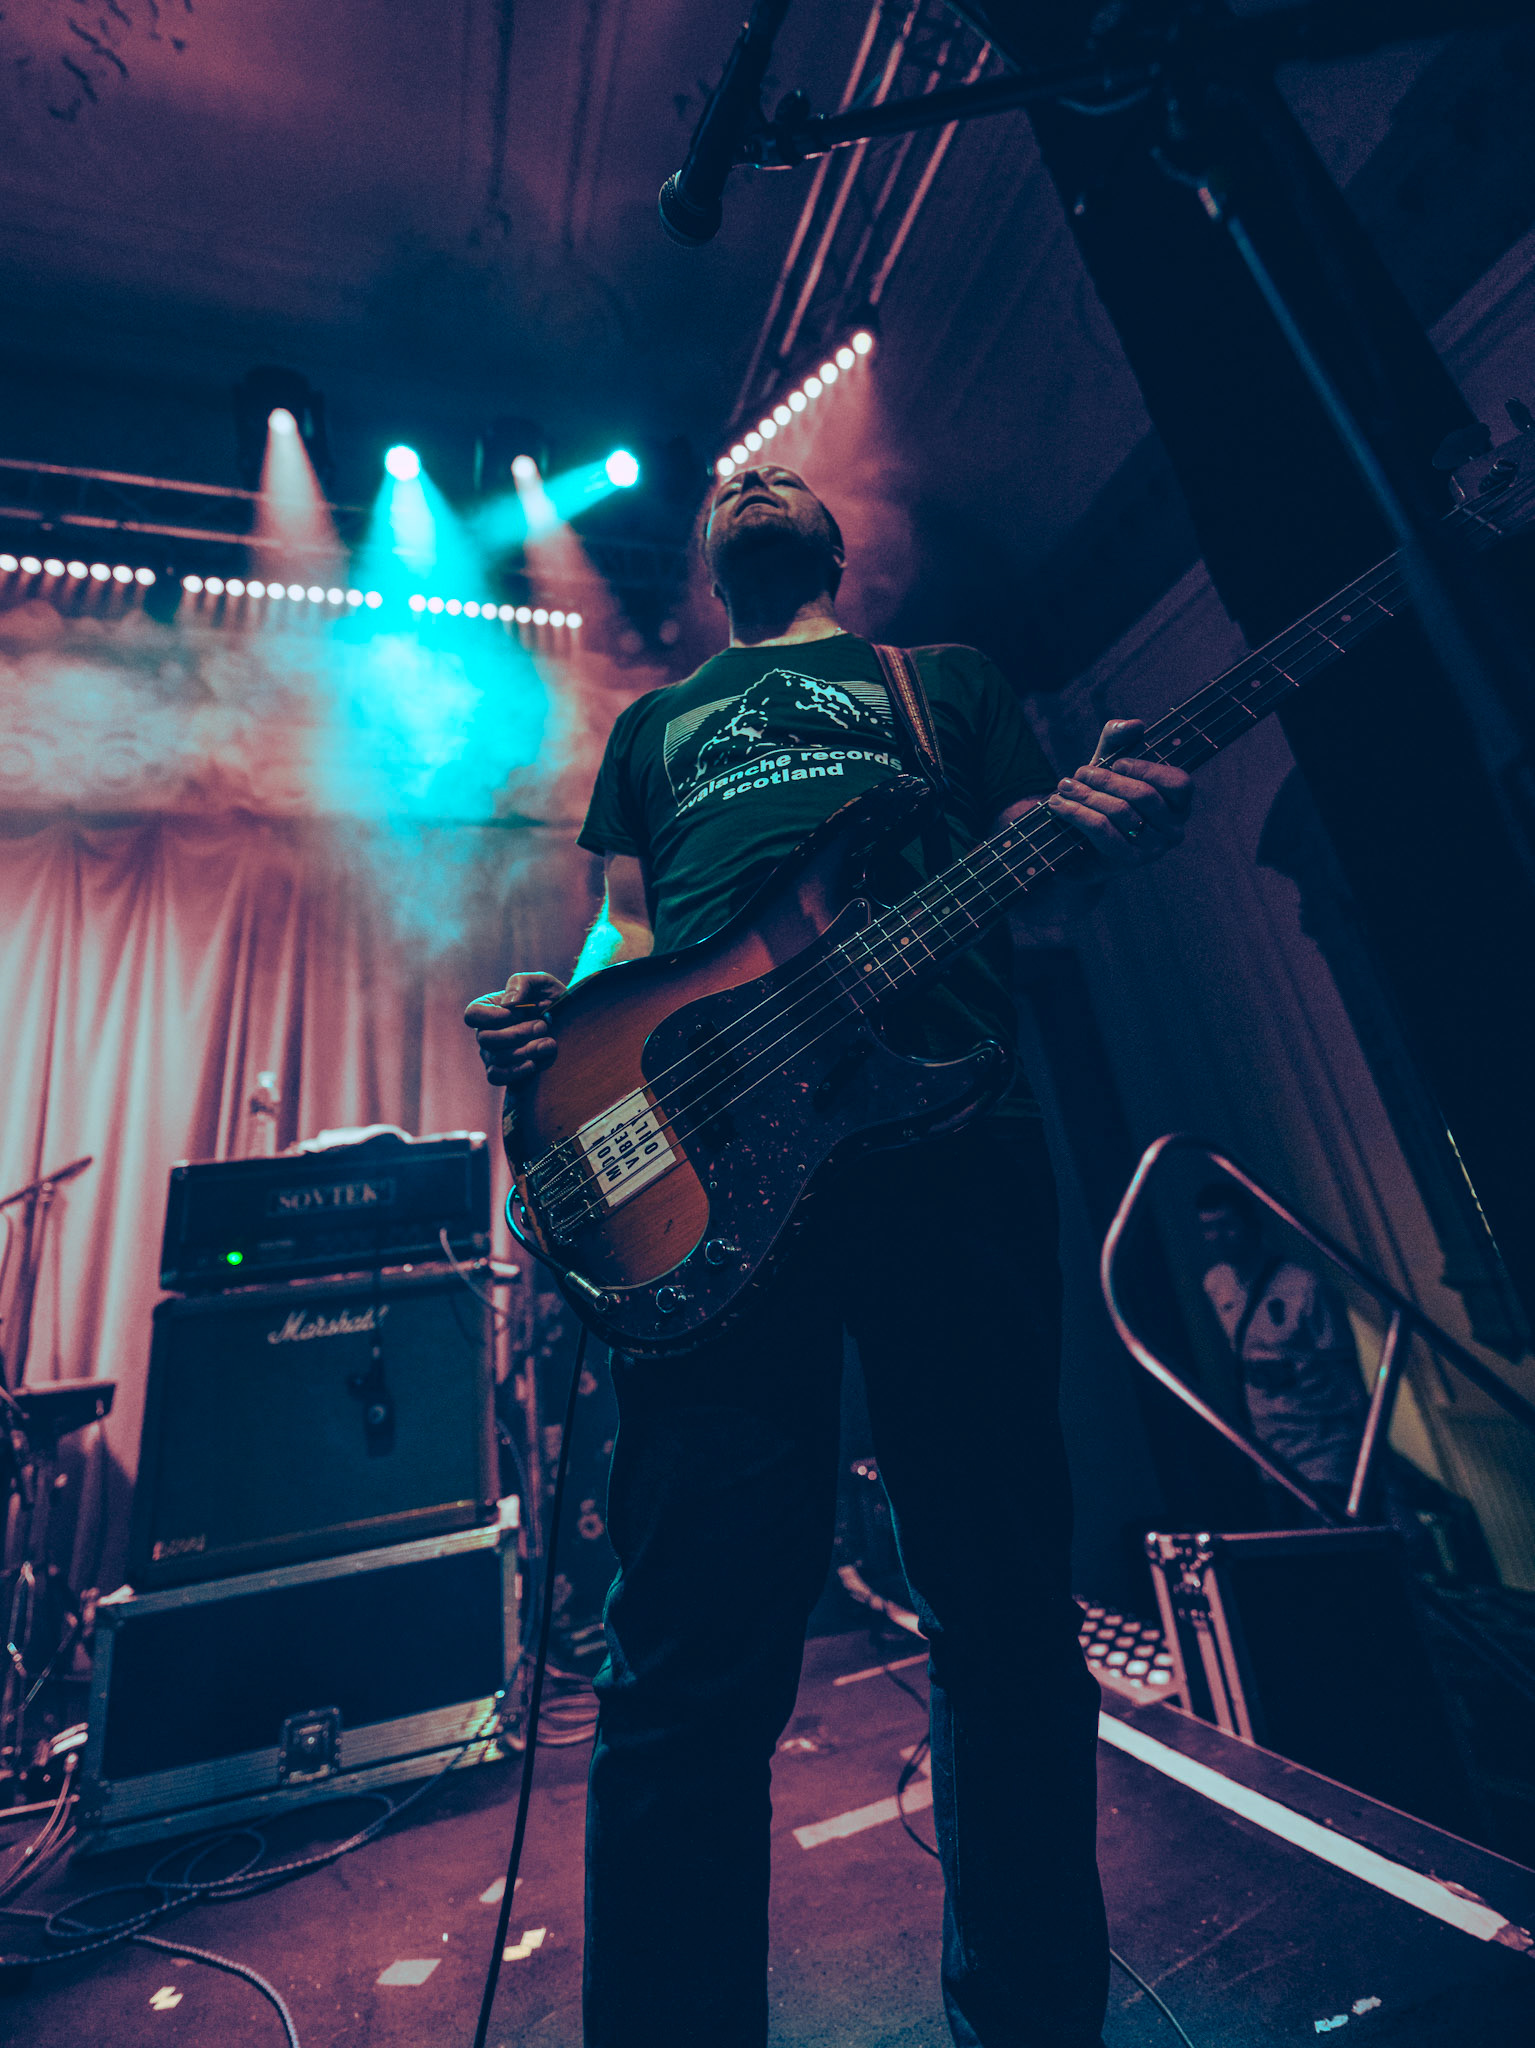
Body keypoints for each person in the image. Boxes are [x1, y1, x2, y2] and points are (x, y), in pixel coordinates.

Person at [466, 465, 1194, 2048]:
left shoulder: (940, 686)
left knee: (1005, 1609)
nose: (757, 474)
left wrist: (1116, 829)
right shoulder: (655, 727)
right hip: (717, 1173)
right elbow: (626, 936)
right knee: (682, 1647)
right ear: (705, 559)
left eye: (785, 471)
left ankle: (1029, 2022)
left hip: (946, 1146)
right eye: (734, 478)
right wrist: (558, 1026)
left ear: (835, 545)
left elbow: (1046, 869)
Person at [1196, 1181, 1370, 1512]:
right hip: (1270, 1444)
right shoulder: (1217, 1283)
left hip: (1324, 1442)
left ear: (1250, 1224)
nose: (1217, 1237)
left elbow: (1346, 1375)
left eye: (1226, 1225)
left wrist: (1370, 1448)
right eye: (1208, 1228)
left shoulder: (1304, 1287)